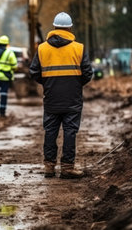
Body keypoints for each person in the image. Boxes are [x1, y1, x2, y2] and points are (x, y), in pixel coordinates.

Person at [29, 12, 93, 179]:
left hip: (51, 98)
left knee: (50, 131)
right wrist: (76, 85)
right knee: (70, 131)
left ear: (54, 27)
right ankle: (67, 167)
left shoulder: (42, 48)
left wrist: (48, 84)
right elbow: (88, 73)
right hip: (73, 98)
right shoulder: (79, 48)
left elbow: (34, 71)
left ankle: (49, 167)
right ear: (70, 28)